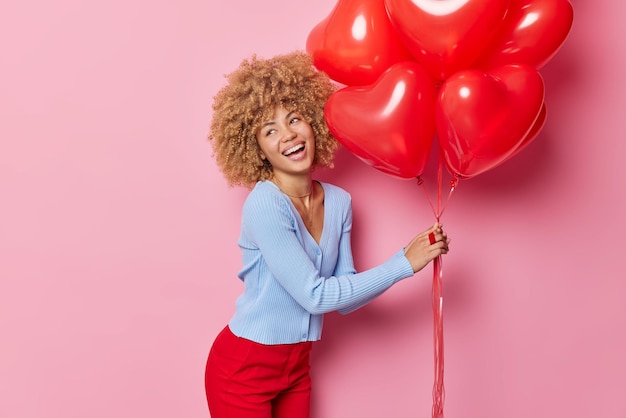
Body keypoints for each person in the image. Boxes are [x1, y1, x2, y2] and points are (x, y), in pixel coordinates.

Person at [204, 51, 450, 418]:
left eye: (294, 119)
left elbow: (345, 296)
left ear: (313, 122)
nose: (288, 135)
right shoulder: (264, 205)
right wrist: (403, 263)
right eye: (270, 130)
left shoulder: (339, 202)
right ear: (256, 148)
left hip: (296, 368)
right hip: (242, 369)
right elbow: (315, 297)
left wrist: (412, 255)